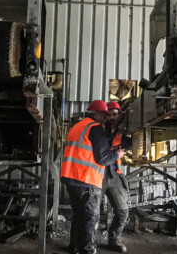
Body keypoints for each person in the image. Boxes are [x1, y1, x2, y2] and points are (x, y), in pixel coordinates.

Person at [61, 100, 125, 254]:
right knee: (91, 217)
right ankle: (88, 250)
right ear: (96, 114)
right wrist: (117, 154)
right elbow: (102, 159)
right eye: (103, 115)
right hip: (85, 180)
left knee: (79, 215)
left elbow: (86, 149)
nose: (105, 119)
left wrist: (107, 148)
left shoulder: (78, 126)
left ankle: (74, 247)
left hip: (71, 178)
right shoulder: (95, 127)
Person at [102, 101, 132, 252]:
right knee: (90, 211)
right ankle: (84, 241)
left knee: (123, 211)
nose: (112, 117)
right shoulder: (100, 128)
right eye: (109, 115)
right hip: (98, 174)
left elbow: (129, 144)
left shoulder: (123, 130)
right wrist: (113, 149)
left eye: (115, 114)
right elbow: (101, 148)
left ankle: (114, 239)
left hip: (114, 174)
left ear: (120, 115)